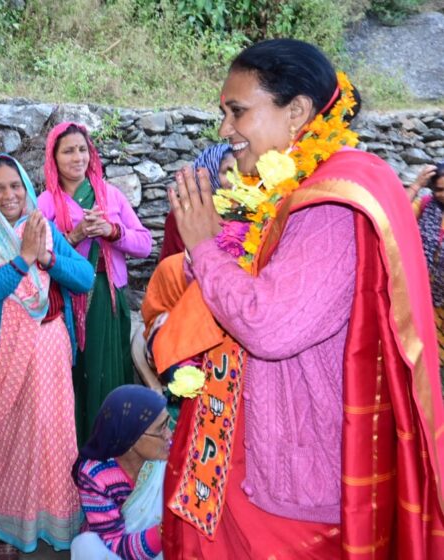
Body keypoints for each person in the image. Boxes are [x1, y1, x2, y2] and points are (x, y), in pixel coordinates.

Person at [159, 39, 444, 558]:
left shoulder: (330, 203)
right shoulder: (289, 189)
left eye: (237, 111)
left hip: (291, 475)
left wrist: (202, 244)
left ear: (296, 112)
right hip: (256, 447)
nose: (224, 129)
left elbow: (269, 326)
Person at [0, 154, 94, 559]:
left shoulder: (42, 227)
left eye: (15, 185)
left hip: (50, 350)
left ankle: (56, 525)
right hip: (4, 360)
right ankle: (7, 532)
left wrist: (45, 255)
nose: (9, 194)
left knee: (55, 440)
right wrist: (22, 260)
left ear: (27, 188)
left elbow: (83, 277)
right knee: (10, 446)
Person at [38, 122, 153, 445]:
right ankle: (77, 454)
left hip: (108, 298)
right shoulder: (46, 203)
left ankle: (113, 453)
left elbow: (144, 244)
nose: (77, 157)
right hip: (67, 303)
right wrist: (74, 237)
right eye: (68, 151)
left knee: (108, 375)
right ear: (54, 157)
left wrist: (111, 231)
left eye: (82, 149)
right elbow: (36, 252)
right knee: (77, 378)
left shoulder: (110, 195)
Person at [71, 385, 171, 560]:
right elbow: (114, 544)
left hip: (160, 541)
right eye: (161, 429)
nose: (169, 435)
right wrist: (165, 529)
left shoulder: (169, 456)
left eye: (168, 424)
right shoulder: (95, 476)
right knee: (86, 546)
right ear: (130, 437)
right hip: (119, 548)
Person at [158, 144, 234, 261]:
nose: (235, 179)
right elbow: (174, 264)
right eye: (228, 171)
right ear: (210, 172)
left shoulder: (248, 212)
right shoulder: (183, 214)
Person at [407, 161, 444, 388]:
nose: (443, 195)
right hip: (423, 297)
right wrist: (416, 185)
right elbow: (395, 212)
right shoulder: (425, 206)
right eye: (439, 189)